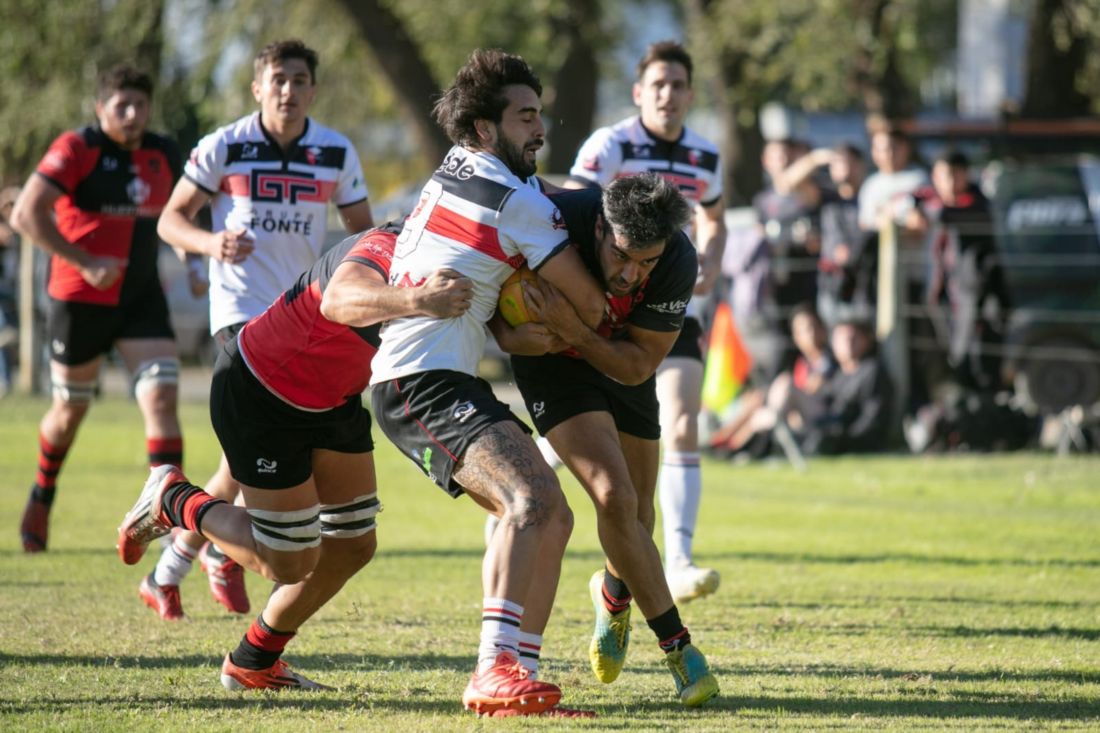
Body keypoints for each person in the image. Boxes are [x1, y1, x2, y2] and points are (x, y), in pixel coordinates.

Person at [116, 223, 472, 688]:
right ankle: (173, 499)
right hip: (264, 390)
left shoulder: (476, 257)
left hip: (334, 399)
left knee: (352, 545)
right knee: (288, 562)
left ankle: (253, 661)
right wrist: (418, 299)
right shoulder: (395, 241)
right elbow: (337, 300)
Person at [368, 48, 607, 718]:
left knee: (552, 514)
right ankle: (491, 669)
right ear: (483, 128)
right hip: (419, 381)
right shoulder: (516, 201)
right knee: (529, 498)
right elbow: (591, 305)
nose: (540, 130)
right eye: (525, 117)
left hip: (433, 376)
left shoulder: (456, 167)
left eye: (539, 114)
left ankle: (519, 674)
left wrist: (509, 323)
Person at [147, 39, 375, 620]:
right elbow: (170, 220)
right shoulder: (225, 146)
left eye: (299, 80)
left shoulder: (335, 152)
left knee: (242, 459)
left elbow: (365, 237)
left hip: (302, 321)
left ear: (313, 90)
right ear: (257, 88)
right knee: (253, 451)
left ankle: (180, 561)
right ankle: (193, 558)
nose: (287, 90)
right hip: (241, 315)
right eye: (278, 79)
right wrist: (210, 243)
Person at [492, 173, 720, 707]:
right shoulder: (555, 220)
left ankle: (613, 596)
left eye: (646, 262)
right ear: (599, 227)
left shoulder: (678, 259)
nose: (631, 274)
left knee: (638, 516)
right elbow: (480, 276)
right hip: (554, 367)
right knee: (614, 496)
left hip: (622, 358)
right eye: (621, 256)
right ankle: (681, 652)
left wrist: (576, 330)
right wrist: (505, 335)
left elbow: (638, 365)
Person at [565, 40, 726, 605]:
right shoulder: (610, 144)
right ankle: (524, 482)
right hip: (608, 311)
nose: (667, 94)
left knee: (682, 420)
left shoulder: (706, 154)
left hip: (673, 311)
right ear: (639, 92)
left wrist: (710, 263)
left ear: (690, 94)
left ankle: (678, 559)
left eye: (677, 85)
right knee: (586, 426)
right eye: (658, 84)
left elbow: (715, 220)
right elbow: (575, 209)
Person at [10, 64, 183, 553]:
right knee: (70, 410)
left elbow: (180, 214)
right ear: (100, 108)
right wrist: (85, 263)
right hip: (79, 300)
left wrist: (192, 258)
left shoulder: (164, 153)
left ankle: (170, 519)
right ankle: (42, 493)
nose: (132, 114)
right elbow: (25, 214)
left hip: (140, 298)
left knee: (162, 398)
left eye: (140, 105)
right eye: (121, 105)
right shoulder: (77, 148)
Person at [907, 150, 1010, 392]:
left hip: (970, 293)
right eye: (943, 175)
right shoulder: (930, 199)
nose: (950, 182)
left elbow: (946, 214)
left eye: (956, 174)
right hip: (938, 291)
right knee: (943, 351)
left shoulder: (978, 203)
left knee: (969, 352)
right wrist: (913, 209)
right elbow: (908, 199)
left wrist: (922, 211)